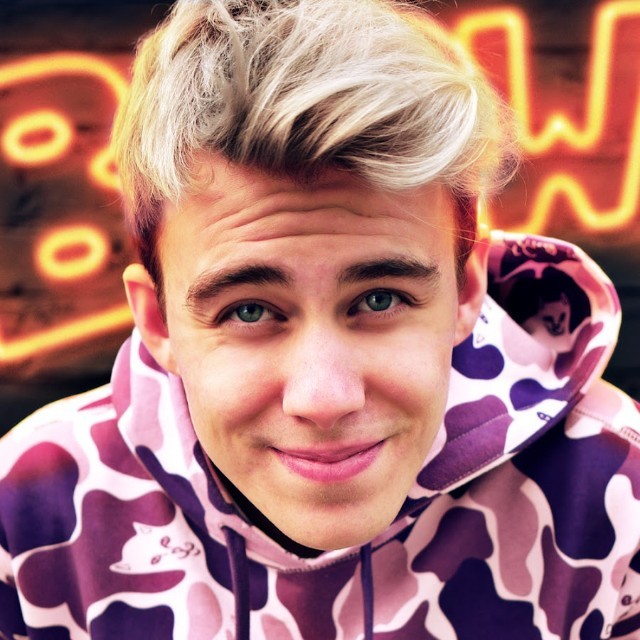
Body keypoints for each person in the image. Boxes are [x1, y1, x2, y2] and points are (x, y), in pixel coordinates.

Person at [1, 0, 638, 637]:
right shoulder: (28, 512)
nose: (324, 399)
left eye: (380, 299)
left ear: (466, 291)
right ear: (158, 322)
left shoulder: (618, 490)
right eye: (249, 311)